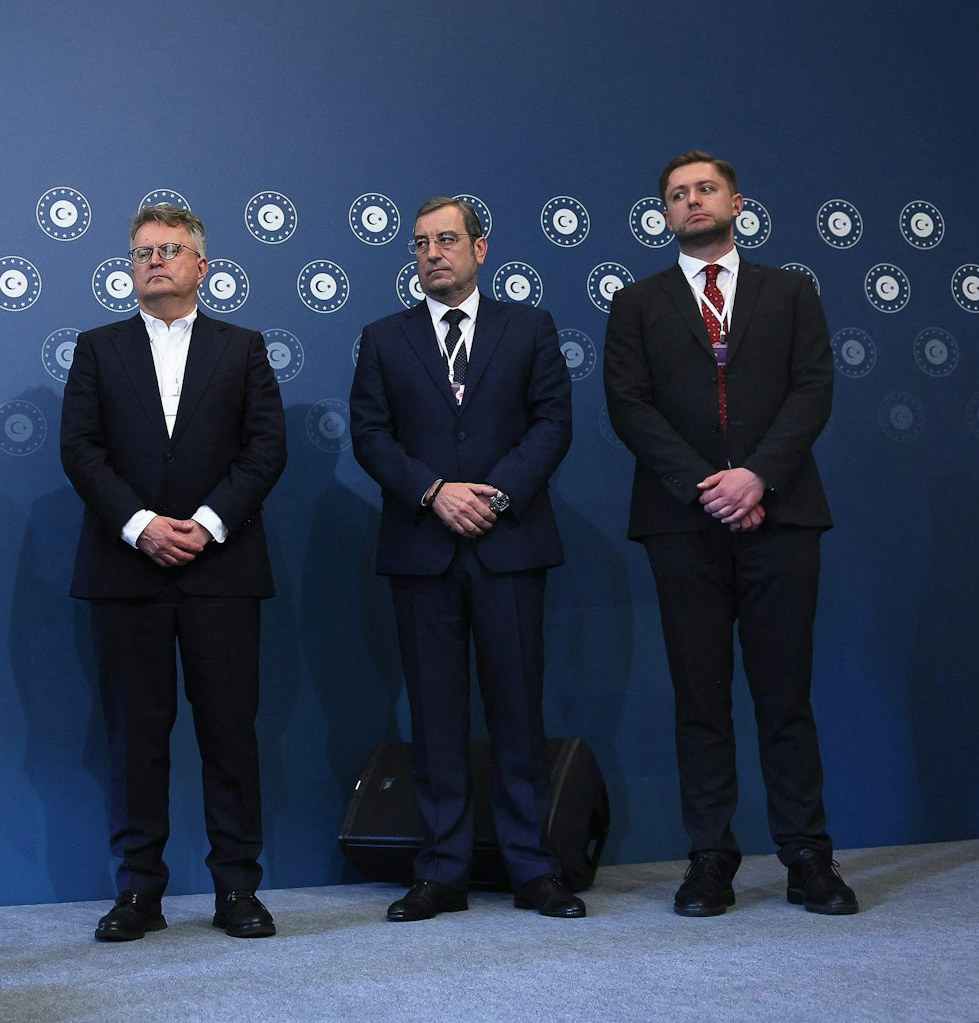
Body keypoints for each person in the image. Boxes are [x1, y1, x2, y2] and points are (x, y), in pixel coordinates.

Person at [604, 150, 857, 918]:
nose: (691, 201)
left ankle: (808, 855)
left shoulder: (791, 291)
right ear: (665, 215)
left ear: (738, 202)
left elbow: (814, 389)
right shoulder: (637, 304)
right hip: (682, 524)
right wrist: (708, 486)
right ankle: (710, 856)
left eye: (704, 188)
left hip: (781, 517)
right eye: (677, 195)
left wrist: (756, 477)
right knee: (700, 697)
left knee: (785, 697)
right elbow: (630, 406)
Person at [348, 196, 584, 921]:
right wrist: (434, 492)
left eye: (446, 239)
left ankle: (531, 866)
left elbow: (552, 421)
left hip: (508, 546)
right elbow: (371, 433)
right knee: (435, 714)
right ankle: (441, 868)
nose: (432, 254)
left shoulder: (530, 327)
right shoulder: (385, 337)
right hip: (424, 548)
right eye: (420, 244)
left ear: (481, 248)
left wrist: (496, 495)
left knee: (518, 710)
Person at [59, 203, 287, 942]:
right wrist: (141, 525)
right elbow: (81, 450)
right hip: (127, 570)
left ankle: (237, 890)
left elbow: (265, 448)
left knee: (230, 735)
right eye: (142, 250)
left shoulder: (243, 346)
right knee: (136, 738)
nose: (155, 259)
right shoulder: (96, 348)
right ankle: (139, 892)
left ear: (201, 266)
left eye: (171, 248)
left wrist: (208, 523)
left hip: (221, 569)